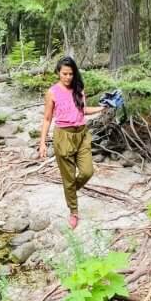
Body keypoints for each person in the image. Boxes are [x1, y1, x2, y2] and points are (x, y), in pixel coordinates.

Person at [38, 57, 103, 228]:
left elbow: (83, 110)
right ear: (58, 73)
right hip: (63, 137)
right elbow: (47, 119)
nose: (68, 77)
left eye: (71, 74)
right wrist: (42, 143)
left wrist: (102, 108)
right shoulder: (52, 92)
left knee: (87, 171)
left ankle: (70, 192)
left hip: (81, 135)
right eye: (64, 74)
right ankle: (74, 211)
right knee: (68, 177)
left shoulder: (79, 89)